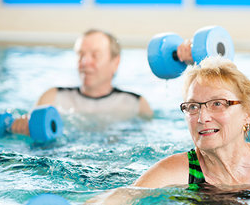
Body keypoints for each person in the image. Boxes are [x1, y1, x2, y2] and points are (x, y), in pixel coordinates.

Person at [81, 57, 250, 205]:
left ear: (247, 113)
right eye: (193, 106)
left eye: (217, 104)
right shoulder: (180, 169)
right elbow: (124, 196)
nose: (202, 117)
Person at [8, 29, 153, 135]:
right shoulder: (52, 98)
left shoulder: (136, 105)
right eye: (80, 54)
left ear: (115, 62)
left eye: (95, 55)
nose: (85, 62)